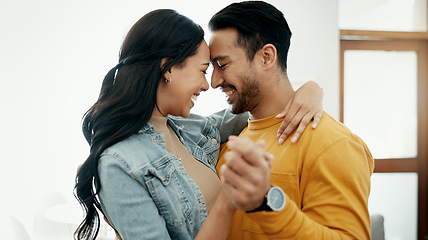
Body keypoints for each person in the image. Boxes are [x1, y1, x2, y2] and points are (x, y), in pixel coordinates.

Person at [74, 9, 323, 240]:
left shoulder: (189, 129)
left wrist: (311, 90)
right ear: (167, 68)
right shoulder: (119, 164)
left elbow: (254, 106)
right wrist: (229, 199)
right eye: (204, 70)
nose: (208, 84)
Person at [208, 1, 374, 239]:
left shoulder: (334, 143)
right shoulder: (225, 139)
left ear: (266, 57)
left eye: (222, 65)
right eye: (211, 67)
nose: (214, 82)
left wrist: (267, 202)